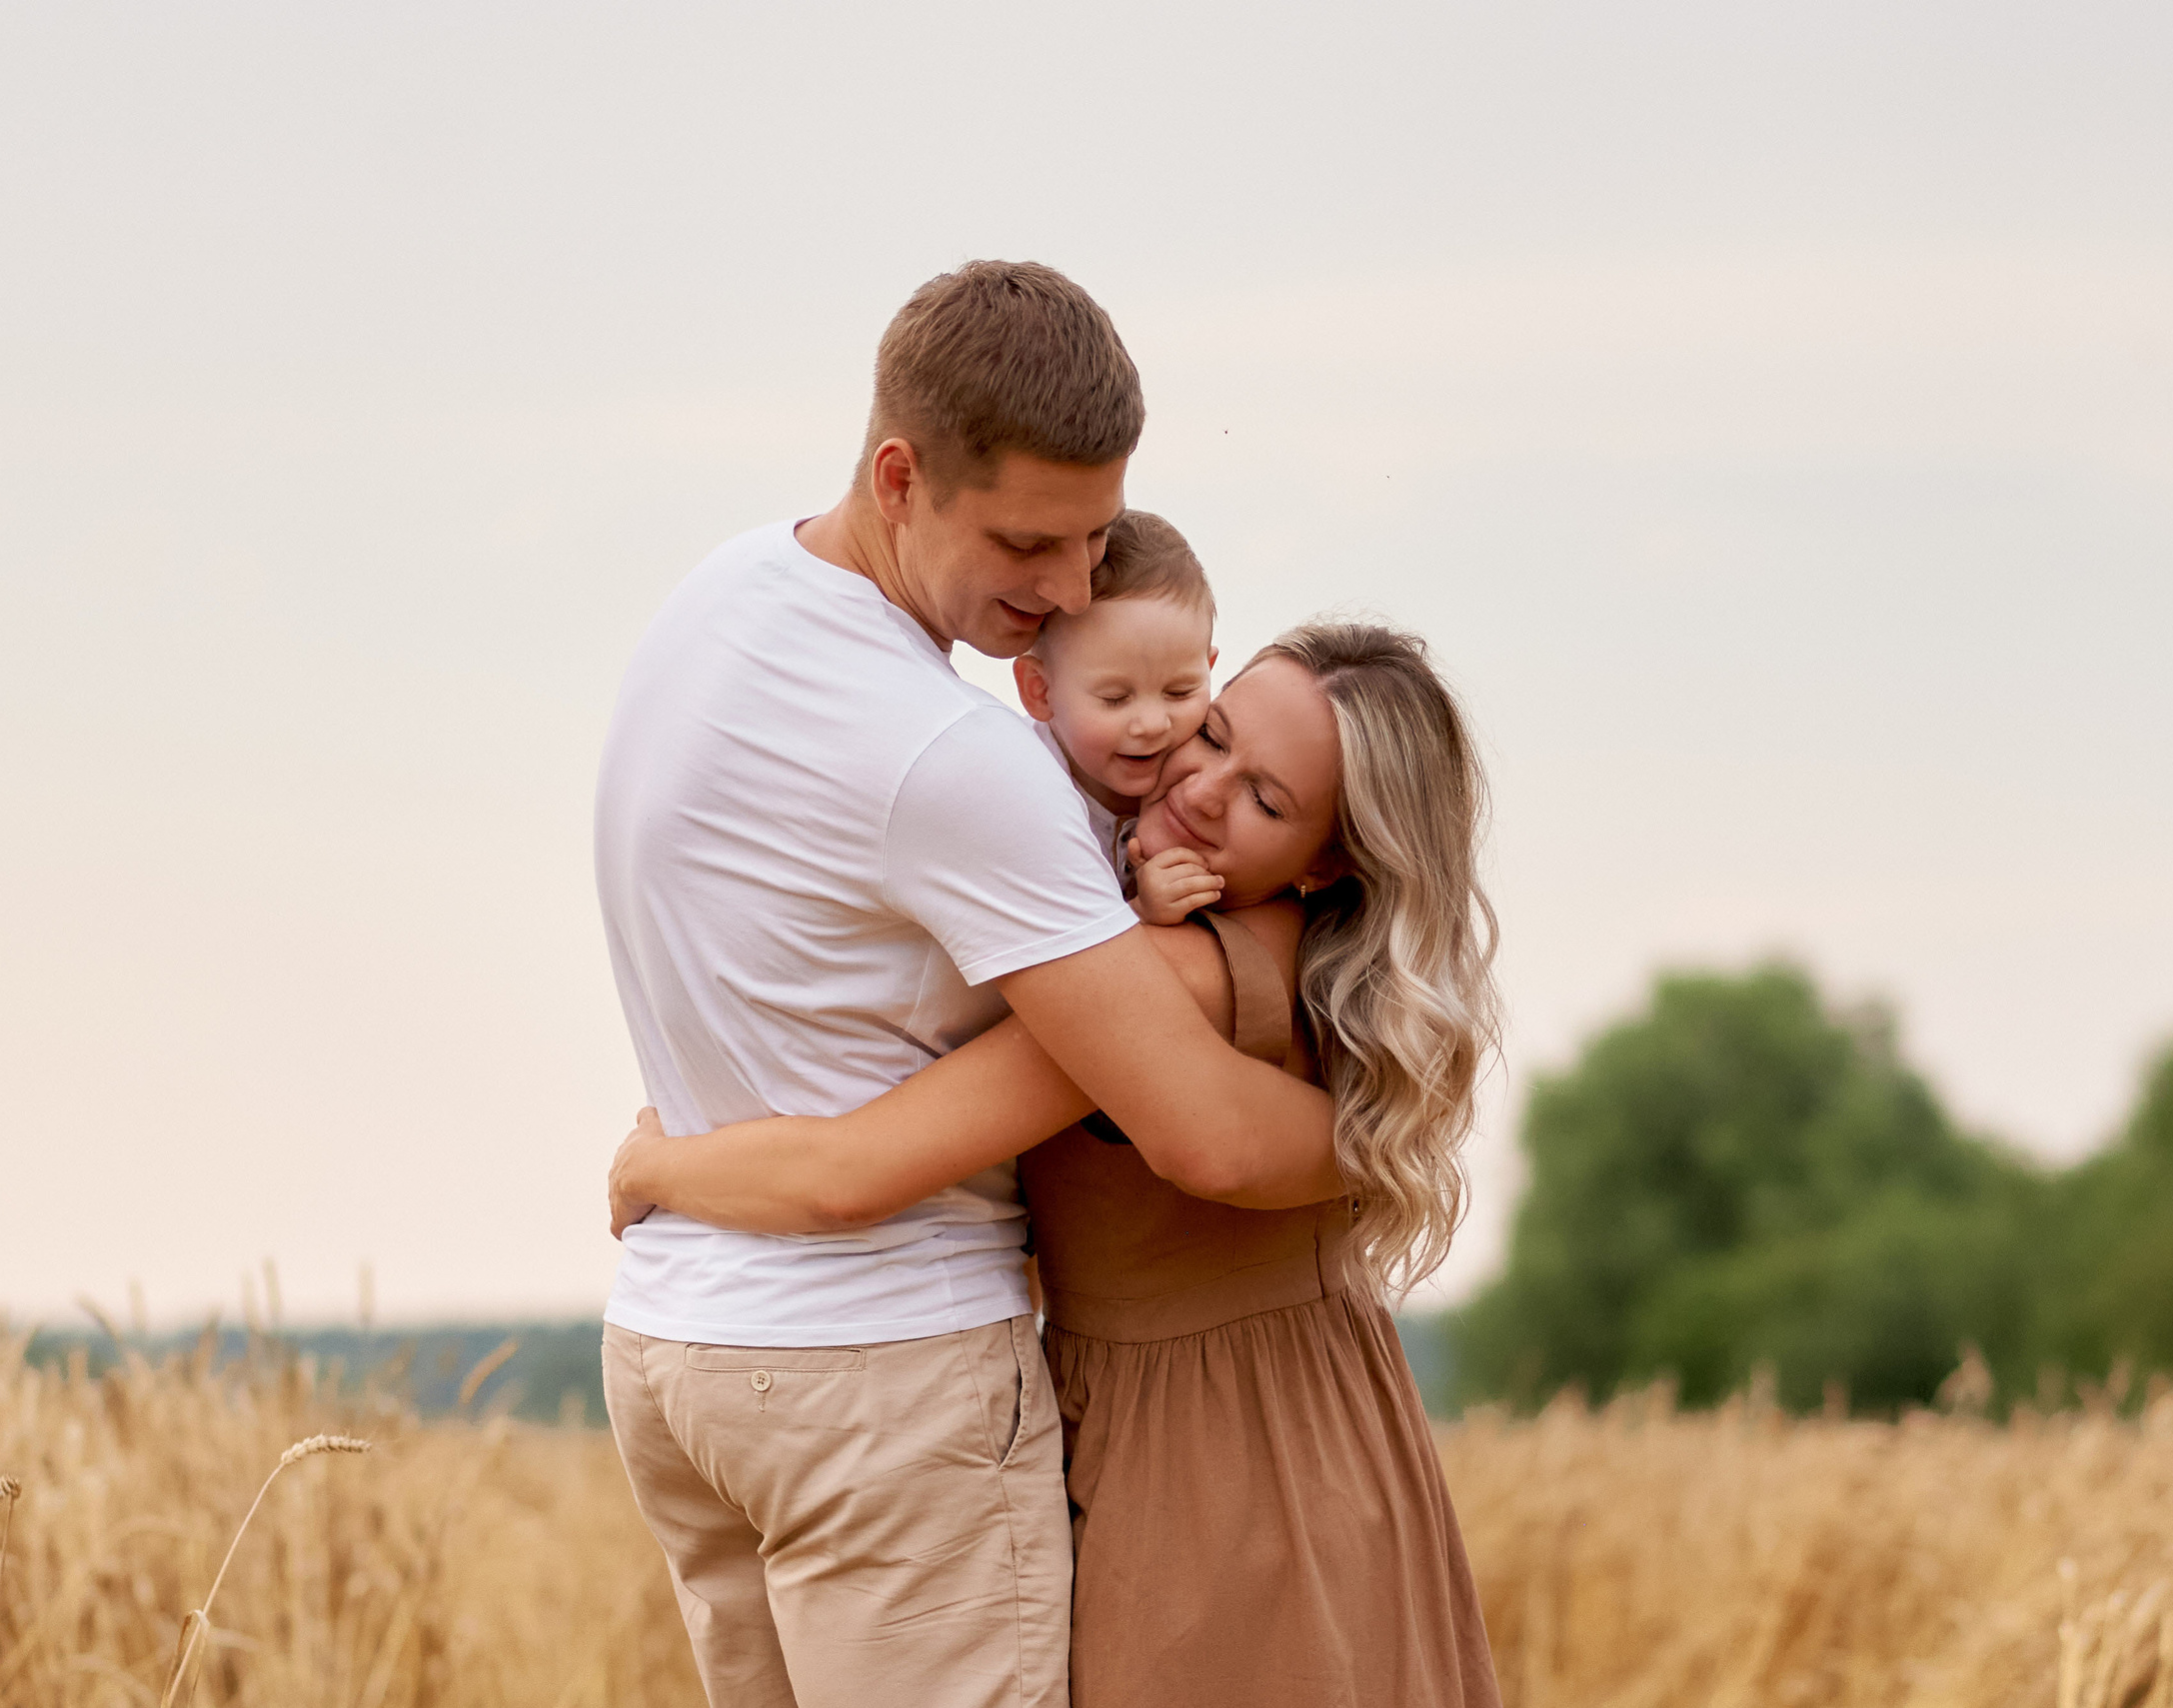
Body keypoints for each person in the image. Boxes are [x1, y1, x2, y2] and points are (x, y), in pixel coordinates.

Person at [592, 261, 1337, 1708]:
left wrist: (677, 1164)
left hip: (682, 1358)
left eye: (1100, 536)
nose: (1069, 591)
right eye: (1026, 541)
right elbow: (1201, 1133)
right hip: (878, 1379)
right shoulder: (955, 759)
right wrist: (1403, 1146)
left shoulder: (712, 604)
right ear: (900, 474)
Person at [612, 622, 1506, 1707]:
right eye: (1211, 733)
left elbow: (847, 1171)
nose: (1204, 787)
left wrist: (660, 1166)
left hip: (1218, 1467)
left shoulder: (1175, 981)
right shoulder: (1254, 954)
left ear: (1330, 859)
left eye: (1266, 799)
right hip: (1292, 1417)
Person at [1011, 507, 1225, 922]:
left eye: (1180, 691)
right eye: (1115, 698)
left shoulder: (1199, 784)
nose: (1152, 725)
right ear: (1040, 690)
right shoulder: (1021, 791)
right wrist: (1141, 912)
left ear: (1209, 669)